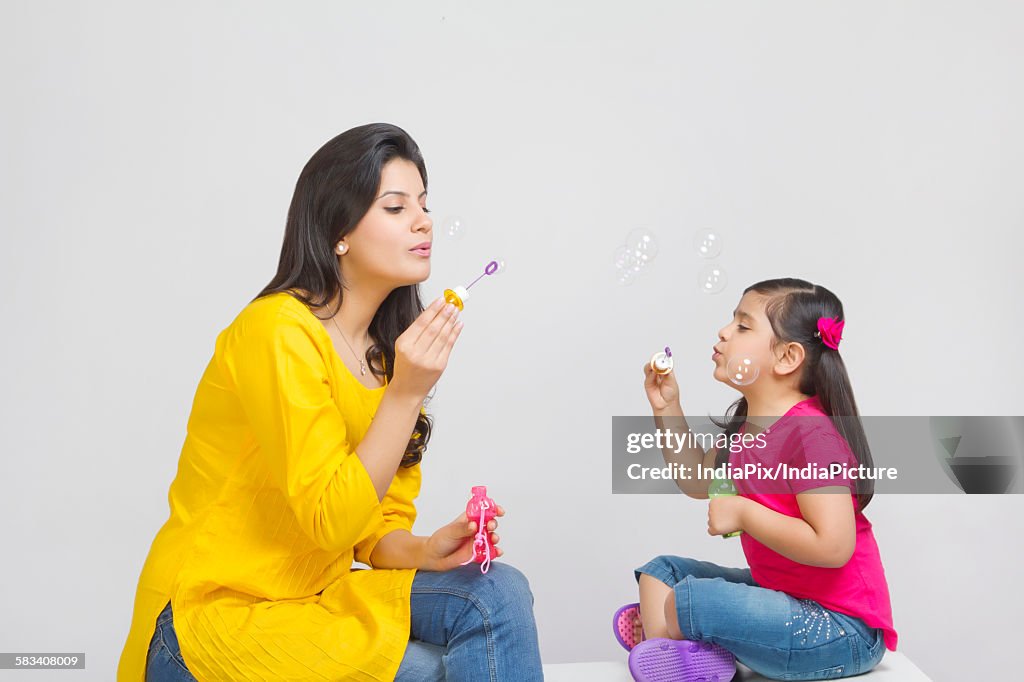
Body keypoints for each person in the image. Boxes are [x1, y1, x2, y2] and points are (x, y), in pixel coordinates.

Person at [118, 123, 543, 681]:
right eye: (395, 207)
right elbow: (328, 520)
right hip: (209, 618)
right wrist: (406, 394)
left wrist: (424, 547)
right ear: (338, 229)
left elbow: (373, 528)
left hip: (312, 598)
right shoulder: (277, 331)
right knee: (433, 672)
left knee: (498, 590)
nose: (424, 221)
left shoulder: (384, 356)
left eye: (424, 203)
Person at [613, 278, 896, 681]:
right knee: (663, 572)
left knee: (691, 600)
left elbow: (833, 546)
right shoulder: (748, 431)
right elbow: (696, 480)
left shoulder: (811, 435)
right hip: (784, 599)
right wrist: (667, 407)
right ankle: (677, 655)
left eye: (743, 326)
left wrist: (744, 512)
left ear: (787, 357)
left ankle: (672, 644)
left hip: (841, 628)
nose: (724, 332)